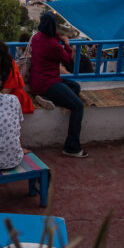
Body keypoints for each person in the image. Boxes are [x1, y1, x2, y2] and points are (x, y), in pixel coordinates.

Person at [28, 13, 87, 157]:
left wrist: (60, 38)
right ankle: (72, 146)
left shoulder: (36, 38)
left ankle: (45, 98)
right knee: (78, 106)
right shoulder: (53, 45)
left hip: (36, 81)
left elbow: (51, 35)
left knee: (75, 87)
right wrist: (67, 44)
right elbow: (67, 59)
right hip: (49, 83)